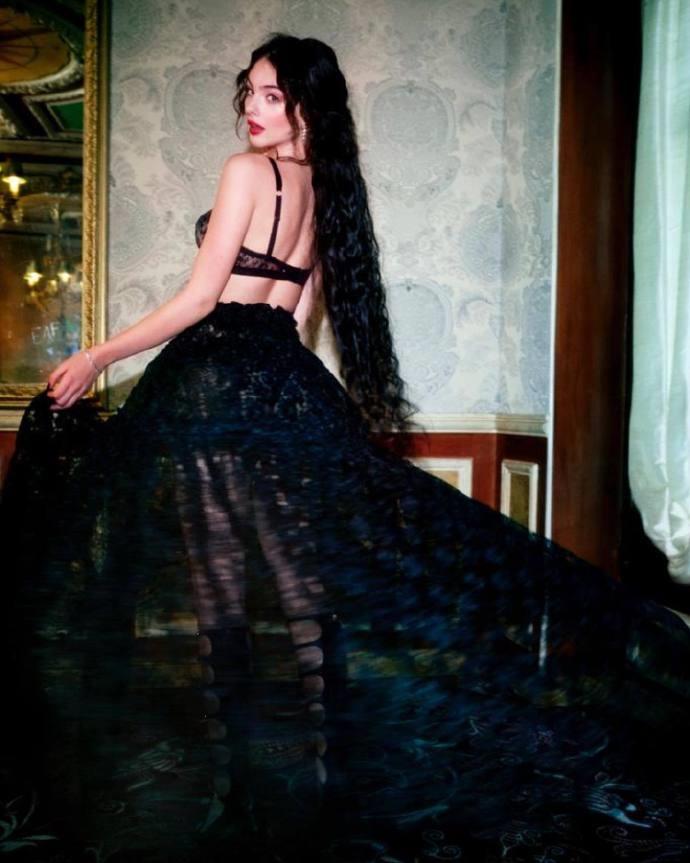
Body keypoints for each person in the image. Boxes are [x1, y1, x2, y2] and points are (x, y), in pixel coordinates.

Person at [3, 33, 690, 863]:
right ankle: (320, 765)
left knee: (221, 591)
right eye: (250, 93)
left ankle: (238, 785)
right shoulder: (332, 189)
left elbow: (198, 299)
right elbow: (298, 318)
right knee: (297, 585)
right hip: (283, 383)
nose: (253, 110)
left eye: (272, 95)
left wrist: (96, 356)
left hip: (213, 384)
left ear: (307, 103)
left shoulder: (246, 173)